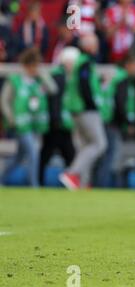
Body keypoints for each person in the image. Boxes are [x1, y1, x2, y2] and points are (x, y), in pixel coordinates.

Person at [1, 47, 56, 187]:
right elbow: (4, 101)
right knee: (33, 152)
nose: (36, 68)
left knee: (19, 158)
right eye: (34, 65)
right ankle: (34, 185)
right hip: (20, 124)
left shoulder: (38, 81)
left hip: (35, 123)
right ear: (27, 65)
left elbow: (53, 89)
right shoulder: (15, 80)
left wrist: (43, 75)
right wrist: (11, 118)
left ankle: (1, 178)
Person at [59, 34, 107, 190]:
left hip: (76, 109)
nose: (97, 47)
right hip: (85, 109)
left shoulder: (79, 62)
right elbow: (84, 84)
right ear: (89, 46)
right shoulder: (85, 63)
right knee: (98, 144)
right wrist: (91, 104)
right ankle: (72, 173)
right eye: (95, 44)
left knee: (84, 146)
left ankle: (83, 182)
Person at [94, 54, 135, 188]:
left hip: (106, 119)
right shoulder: (122, 79)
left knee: (106, 154)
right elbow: (120, 102)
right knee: (109, 156)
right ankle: (102, 184)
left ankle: (100, 182)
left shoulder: (116, 76)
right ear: (128, 65)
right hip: (112, 122)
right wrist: (128, 122)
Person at [39, 47, 78, 186]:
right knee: (53, 153)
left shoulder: (61, 75)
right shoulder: (59, 76)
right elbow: (55, 99)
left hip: (60, 121)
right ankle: (40, 181)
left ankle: (70, 180)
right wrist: (56, 119)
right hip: (57, 122)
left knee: (59, 153)